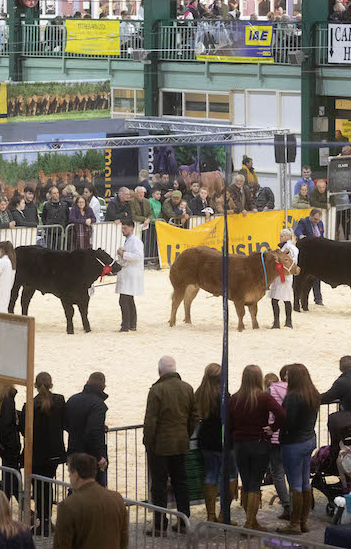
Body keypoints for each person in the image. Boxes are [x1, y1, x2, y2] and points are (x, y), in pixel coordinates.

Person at [227, 364, 286, 531]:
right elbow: (282, 414)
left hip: (240, 444)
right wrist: (273, 428)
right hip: (259, 443)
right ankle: (250, 523)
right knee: (254, 484)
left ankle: (251, 521)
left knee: (246, 483)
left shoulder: (235, 398)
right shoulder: (263, 397)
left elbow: (229, 424)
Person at [143, 356, 196, 534]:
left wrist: (148, 442)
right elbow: (194, 417)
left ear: (159, 371)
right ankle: (183, 522)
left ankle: (159, 525)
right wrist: (186, 434)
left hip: (160, 446)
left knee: (159, 486)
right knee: (181, 483)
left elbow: (151, 421)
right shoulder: (187, 388)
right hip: (181, 443)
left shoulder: (157, 390)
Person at [20, 372, 66, 537]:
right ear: (51, 384)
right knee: (48, 485)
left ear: (35, 385)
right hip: (53, 452)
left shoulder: (29, 405)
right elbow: (64, 422)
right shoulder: (59, 401)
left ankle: (43, 519)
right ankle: (47, 520)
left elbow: (23, 430)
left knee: (38, 488)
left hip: (35, 453)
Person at [54, 452, 129, 549]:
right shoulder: (117, 499)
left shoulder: (68, 505)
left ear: (76, 475)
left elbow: (62, 545)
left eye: (69, 474)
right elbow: (123, 540)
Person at [277, 363, 318, 535]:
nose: (285, 378)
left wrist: (275, 427)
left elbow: (288, 422)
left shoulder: (293, 396)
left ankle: (294, 523)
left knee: (294, 485)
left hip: (294, 443)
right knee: (305, 483)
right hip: (309, 439)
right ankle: (303, 521)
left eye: (287, 375)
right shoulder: (313, 394)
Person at [195, 363, 240, 522]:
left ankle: (211, 515)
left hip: (206, 440)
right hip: (223, 441)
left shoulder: (199, 393)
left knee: (211, 475)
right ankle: (223, 514)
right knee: (232, 475)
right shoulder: (223, 396)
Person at [65, 372, 109, 486]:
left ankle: (70, 504)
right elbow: (93, 432)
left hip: (73, 452)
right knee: (96, 489)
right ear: (103, 387)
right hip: (91, 458)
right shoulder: (99, 405)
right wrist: (99, 458)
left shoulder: (72, 400)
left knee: (76, 486)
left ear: (87, 382)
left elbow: (65, 423)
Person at [115, 219, 143, 333]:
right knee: (129, 299)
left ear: (132, 228)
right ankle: (132, 324)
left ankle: (125, 326)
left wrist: (123, 254)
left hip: (132, 273)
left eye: (125, 228)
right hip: (128, 272)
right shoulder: (129, 240)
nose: (123, 230)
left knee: (124, 300)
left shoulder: (135, 241)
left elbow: (138, 256)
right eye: (122, 228)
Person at [294, 209, 325, 306]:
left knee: (317, 276)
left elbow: (322, 237)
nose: (317, 221)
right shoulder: (303, 222)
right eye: (315, 219)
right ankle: (299, 298)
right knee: (303, 278)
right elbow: (297, 231)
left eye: (318, 219)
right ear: (310, 216)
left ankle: (318, 299)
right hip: (306, 255)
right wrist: (302, 236)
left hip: (317, 254)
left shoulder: (320, 224)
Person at [269, 228, 298, 330]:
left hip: (285, 276)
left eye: (281, 236)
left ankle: (282, 322)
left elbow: (291, 262)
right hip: (279, 275)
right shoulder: (285, 248)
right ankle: (286, 322)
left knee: (278, 299)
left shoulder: (290, 249)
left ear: (286, 237)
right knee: (284, 299)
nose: (280, 238)